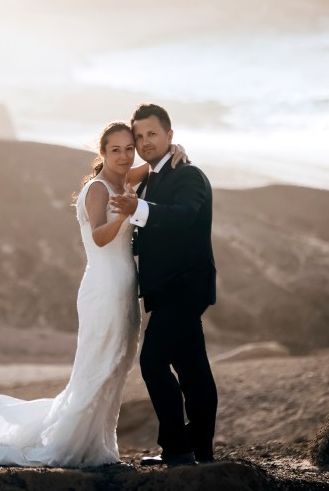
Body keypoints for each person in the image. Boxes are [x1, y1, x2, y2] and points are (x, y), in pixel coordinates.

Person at [0, 122, 187, 467]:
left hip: (125, 287)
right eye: (115, 150)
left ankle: (99, 447)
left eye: (129, 148)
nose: (124, 156)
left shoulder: (124, 178)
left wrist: (175, 152)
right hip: (103, 288)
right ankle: (68, 445)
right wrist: (126, 213)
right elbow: (98, 237)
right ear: (102, 152)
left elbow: (154, 167)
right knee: (98, 365)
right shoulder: (97, 189)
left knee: (118, 365)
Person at [109, 103, 219, 466]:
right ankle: (200, 451)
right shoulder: (154, 176)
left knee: (153, 362)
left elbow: (184, 216)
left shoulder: (189, 175)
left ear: (170, 135)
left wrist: (136, 210)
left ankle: (177, 448)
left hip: (185, 286)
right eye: (139, 136)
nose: (144, 142)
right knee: (192, 369)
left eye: (152, 134)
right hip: (167, 288)